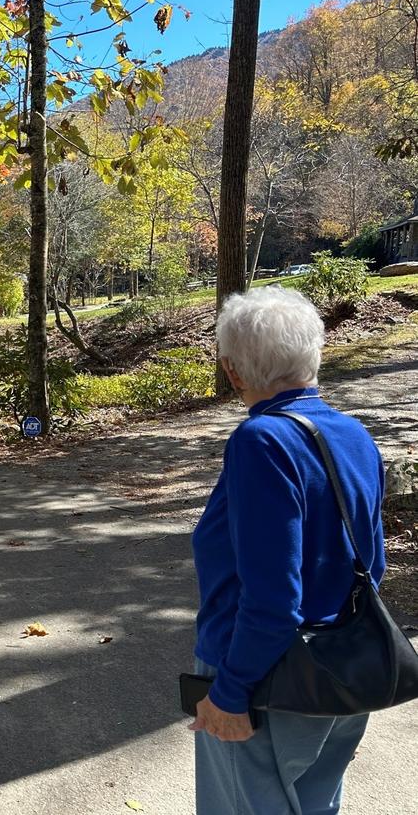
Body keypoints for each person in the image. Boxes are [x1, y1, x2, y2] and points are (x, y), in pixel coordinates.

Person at [190, 286, 386, 815]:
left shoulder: (261, 441)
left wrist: (230, 692)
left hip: (264, 678)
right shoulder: (353, 435)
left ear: (233, 371)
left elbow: (274, 597)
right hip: (344, 670)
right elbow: (373, 566)